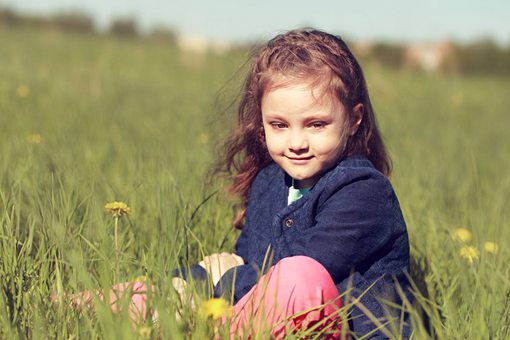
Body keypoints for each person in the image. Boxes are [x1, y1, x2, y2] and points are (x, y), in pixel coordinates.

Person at [60, 28, 412, 339]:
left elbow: (296, 269)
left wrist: (217, 283)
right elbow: (246, 263)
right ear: (261, 123)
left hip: (329, 326)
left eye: (316, 124)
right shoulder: (270, 183)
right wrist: (186, 281)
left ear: (353, 119)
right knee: (165, 289)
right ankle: (79, 308)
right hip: (260, 317)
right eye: (279, 125)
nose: (297, 142)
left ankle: (200, 324)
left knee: (299, 276)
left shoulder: (363, 193)